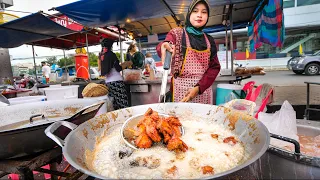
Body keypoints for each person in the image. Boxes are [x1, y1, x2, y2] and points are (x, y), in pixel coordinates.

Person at [157, 0, 221, 104]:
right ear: (189, 14)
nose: (199, 15)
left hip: (202, 92)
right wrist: (164, 46)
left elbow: (214, 67)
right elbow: (166, 44)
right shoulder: (177, 34)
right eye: (195, 11)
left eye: (204, 12)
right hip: (180, 92)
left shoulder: (210, 40)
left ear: (208, 16)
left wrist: (198, 88)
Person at [99, 39, 132, 110]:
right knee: (123, 105)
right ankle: (126, 118)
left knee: (115, 105)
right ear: (111, 46)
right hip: (117, 82)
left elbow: (102, 68)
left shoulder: (102, 55)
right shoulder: (111, 54)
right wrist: (125, 64)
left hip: (108, 83)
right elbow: (118, 68)